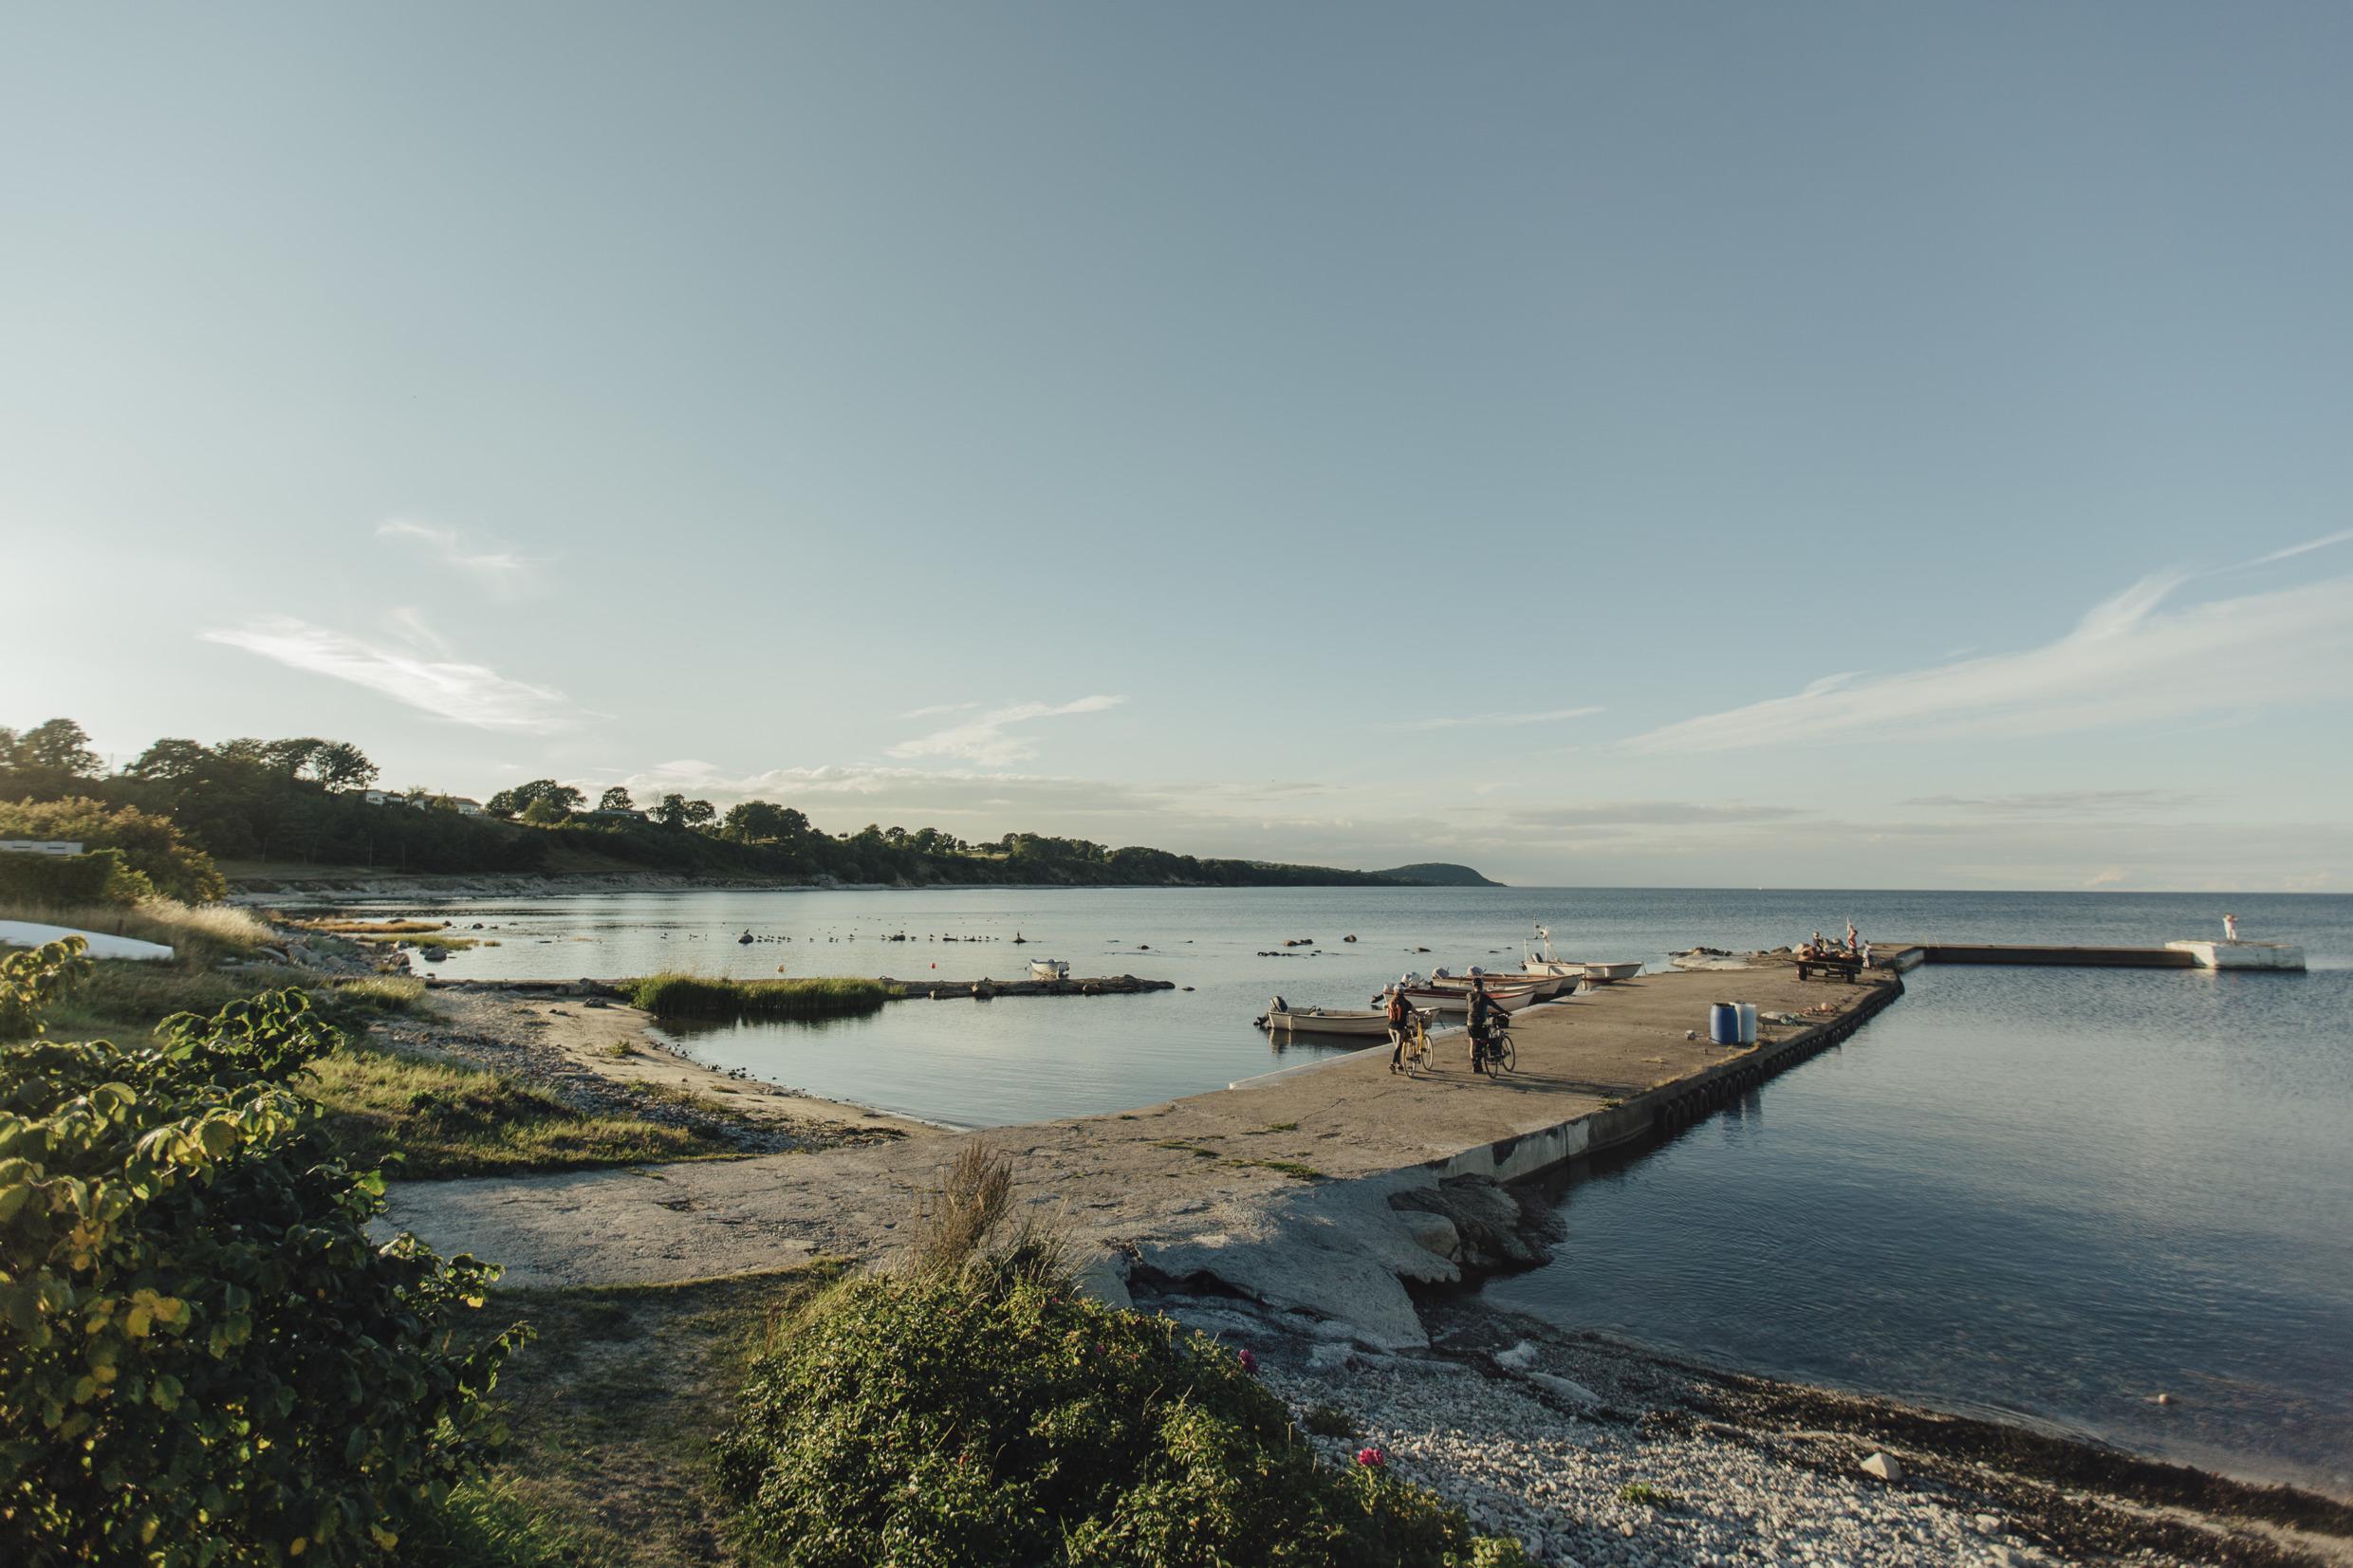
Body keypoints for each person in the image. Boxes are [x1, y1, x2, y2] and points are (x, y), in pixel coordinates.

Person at [1466, 978, 1496, 1069]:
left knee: (1472, 1043)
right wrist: (1505, 1012)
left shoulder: (1468, 995)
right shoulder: (1484, 996)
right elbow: (1495, 1005)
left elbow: (1468, 1007)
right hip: (1481, 1022)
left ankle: (1475, 1065)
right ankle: (1478, 1058)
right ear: (1482, 986)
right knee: (1484, 1039)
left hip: (1470, 1022)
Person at [1385, 985, 1414, 1072]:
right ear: (1403, 992)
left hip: (1390, 1028)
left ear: (1395, 992)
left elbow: (1387, 1014)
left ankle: (1400, 1065)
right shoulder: (1406, 1003)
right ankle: (1393, 1064)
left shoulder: (1391, 1001)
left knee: (1396, 1047)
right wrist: (1423, 1015)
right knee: (1399, 1047)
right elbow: (1415, 1011)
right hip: (1400, 1029)